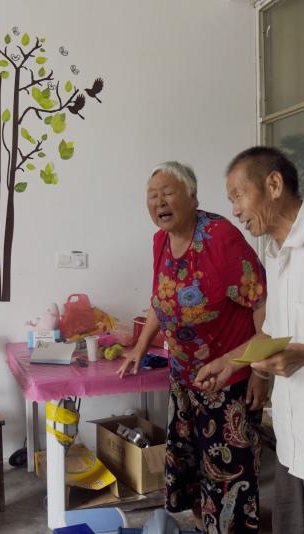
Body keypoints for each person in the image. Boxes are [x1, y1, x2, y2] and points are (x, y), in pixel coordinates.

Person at [194, 146, 304, 534]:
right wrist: (229, 363)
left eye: (238, 196)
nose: (235, 210)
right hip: (292, 437)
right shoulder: (274, 254)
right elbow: (272, 332)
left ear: (273, 184)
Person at [117, 161, 269, 533]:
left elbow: (263, 303)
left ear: (192, 196)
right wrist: (140, 347)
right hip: (184, 379)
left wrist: (260, 372)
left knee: (229, 476)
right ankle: (203, 526)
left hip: (229, 381)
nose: (159, 202)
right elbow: (161, 301)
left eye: (168, 193)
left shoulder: (220, 237)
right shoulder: (160, 241)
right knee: (195, 469)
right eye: (152, 196)